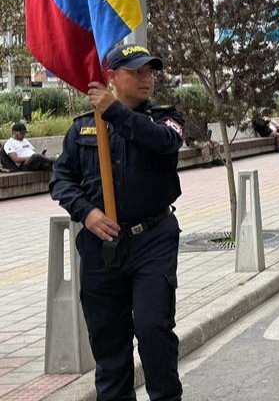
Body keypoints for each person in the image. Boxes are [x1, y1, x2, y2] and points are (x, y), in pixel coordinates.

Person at [51, 44, 185, 401]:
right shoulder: (83, 128)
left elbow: (164, 142)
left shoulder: (164, 119)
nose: (146, 79)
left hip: (152, 239)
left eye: (149, 72)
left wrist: (115, 112)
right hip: (101, 247)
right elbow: (61, 179)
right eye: (137, 72)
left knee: (153, 327)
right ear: (112, 77)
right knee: (109, 343)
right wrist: (87, 212)